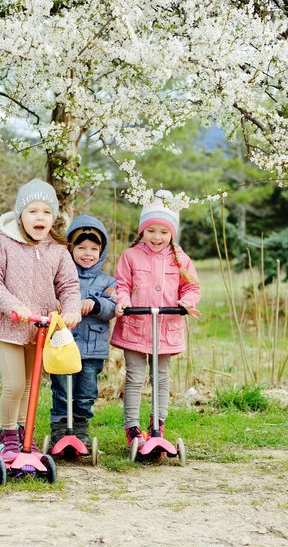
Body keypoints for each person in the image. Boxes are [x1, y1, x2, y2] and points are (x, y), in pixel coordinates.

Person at [0, 178, 81, 462]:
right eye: (33, 211)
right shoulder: (4, 243)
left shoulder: (57, 249)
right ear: (20, 215)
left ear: (54, 217)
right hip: (8, 326)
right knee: (14, 385)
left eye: (46, 212)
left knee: (29, 385)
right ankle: (6, 434)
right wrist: (14, 306)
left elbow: (69, 286)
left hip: (40, 329)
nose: (40, 217)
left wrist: (71, 308)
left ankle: (24, 434)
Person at [110, 189, 201, 447]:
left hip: (165, 327)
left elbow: (191, 288)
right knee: (135, 377)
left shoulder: (180, 259)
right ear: (142, 231)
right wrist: (124, 301)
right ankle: (132, 427)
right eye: (151, 230)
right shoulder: (130, 256)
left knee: (161, 377)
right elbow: (122, 284)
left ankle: (157, 425)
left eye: (163, 231)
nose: (157, 237)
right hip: (135, 325)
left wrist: (187, 302)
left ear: (172, 232)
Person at [49, 215, 117, 448]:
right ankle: (59, 425)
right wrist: (59, 305)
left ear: (102, 251)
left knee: (86, 391)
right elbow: (51, 298)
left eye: (93, 249)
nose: (87, 253)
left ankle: (80, 426)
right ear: (71, 248)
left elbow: (112, 308)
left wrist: (95, 304)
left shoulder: (107, 281)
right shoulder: (61, 277)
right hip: (64, 344)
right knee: (61, 388)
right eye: (81, 248)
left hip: (92, 348)